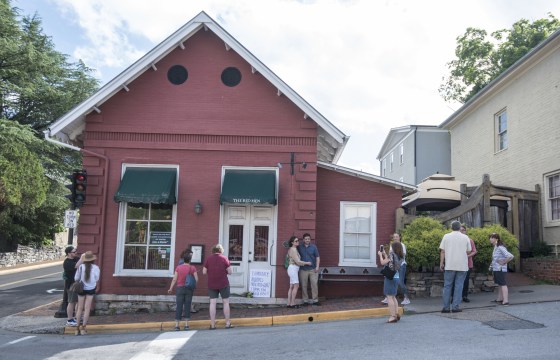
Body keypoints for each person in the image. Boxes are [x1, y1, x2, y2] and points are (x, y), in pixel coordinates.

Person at [439, 220, 472, 313]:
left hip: (449, 264)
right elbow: (469, 251)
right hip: (462, 265)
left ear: (451, 227)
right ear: (460, 227)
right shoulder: (465, 237)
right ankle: (455, 307)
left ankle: (445, 308)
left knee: (447, 286)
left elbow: (442, 251)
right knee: (459, 286)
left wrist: (441, 263)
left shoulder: (446, 236)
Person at [203, 244, 233, 329]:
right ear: (221, 250)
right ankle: (227, 323)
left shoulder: (209, 259)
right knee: (226, 302)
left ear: (213, 250)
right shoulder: (224, 258)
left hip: (212, 283)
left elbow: (204, 272)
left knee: (212, 303)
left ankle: (212, 325)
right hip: (223, 283)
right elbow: (230, 272)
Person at [168, 251, 198, 330]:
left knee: (179, 306)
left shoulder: (178, 267)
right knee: (187, 306)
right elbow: (196, 279)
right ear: (190, 260)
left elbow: (174, 279)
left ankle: (177, 325)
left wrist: (170, 288)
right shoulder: (193, 268)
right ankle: (186, 325)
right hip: (189, 289)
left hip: (180, 288)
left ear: (183, 260)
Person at [74, 251, 100, 336]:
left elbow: (76, 278)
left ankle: (77, 328)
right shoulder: (96, 268)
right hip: (91, 289)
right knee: (87, 308)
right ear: (92, 260)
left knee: (79, 308)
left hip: (81, 289)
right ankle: (83, 328)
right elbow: (96, 279)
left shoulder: (81, 267)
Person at [381, 233, 411, 305]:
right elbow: (391, 256)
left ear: (400, 237)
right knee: (391, 280)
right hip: (393, 266)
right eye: (394, 237)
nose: (395, 238)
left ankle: (406, 298)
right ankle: (388, 297)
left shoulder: (402, 245)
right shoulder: (392, 245)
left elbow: (402, 256)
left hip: (401, 266)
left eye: (396, 237)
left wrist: (396, 264)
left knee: (400, 282)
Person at [378, 242, 402, 323]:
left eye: (391, 247)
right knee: (393, 296)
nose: (390, 248)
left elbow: (383, 262)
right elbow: (390, 263)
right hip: (396, 277)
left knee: (389, 297)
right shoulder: (400, 256)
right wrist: (385, 254)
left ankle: (392, 316)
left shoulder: (392, 254)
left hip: (390, 278)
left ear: (394, 248)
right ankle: (396, 313)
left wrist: (380, 255)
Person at [489, 233, 514, 306]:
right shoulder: (496, 247)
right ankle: (499, 299)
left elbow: (510, 256)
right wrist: (491, 266)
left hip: (500, 269)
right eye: (490, 237)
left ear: (496, 239)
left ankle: (505, 301)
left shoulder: (500, 247)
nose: (490, 239)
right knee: (500, 284)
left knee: (503, 284)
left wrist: (504, 262)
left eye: (492, 238)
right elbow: (495, 259)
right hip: (496, 268)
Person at [287, 236, 311, 308]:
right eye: (296, 241)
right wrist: (307, 263)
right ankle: (292, 303)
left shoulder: (293, 249)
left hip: (293, 268)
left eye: (298, 241)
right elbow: (298, 261)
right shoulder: (293, 250)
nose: (298, 242)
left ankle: (289, 303)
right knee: (296, 286)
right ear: (292, 243)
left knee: (291, 286)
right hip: (293, 268)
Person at [297, 233, 321, 306]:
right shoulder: (300, 247)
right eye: (306, 239)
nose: (307, 240)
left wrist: (317, 267)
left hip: (313, 269)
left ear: (310, 239)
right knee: (304, 286)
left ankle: (315, 300)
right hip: (303, 269)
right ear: (303, 240)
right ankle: (305, 301)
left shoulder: (314, 247)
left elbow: (317, 257)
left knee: (314, 285)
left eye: (308, 239)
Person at [63, 246, 83, 326]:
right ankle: (69, 320)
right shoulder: (67, 262)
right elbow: (76, 266)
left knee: (77, 302)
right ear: (69, 253)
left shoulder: (76, 259)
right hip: (71, 285)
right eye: (74, 252)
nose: (76, 253)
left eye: (76, 251)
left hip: (77, 284)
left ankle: (76, 317)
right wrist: (82, 258)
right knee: (71, 302)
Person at [460, 225, 477, 302]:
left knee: (465, 281)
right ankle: (455, 297)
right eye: (460, 230)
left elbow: (474, 251)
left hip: (468, 264)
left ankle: (464, 296)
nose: (462, 231)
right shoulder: (455, 240)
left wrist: (467, 256)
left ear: (466, 231)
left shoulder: (470, 240)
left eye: (463, 230)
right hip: (457, 264)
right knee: (456, 281)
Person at [178, 249, 198, 314]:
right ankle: (186, 311)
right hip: (185, 282)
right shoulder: (182, 262)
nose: (191, 257)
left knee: (185, 299)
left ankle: (187, 310)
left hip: (184, 282)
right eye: (190, 255)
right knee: (185, 299)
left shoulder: (182, 260)